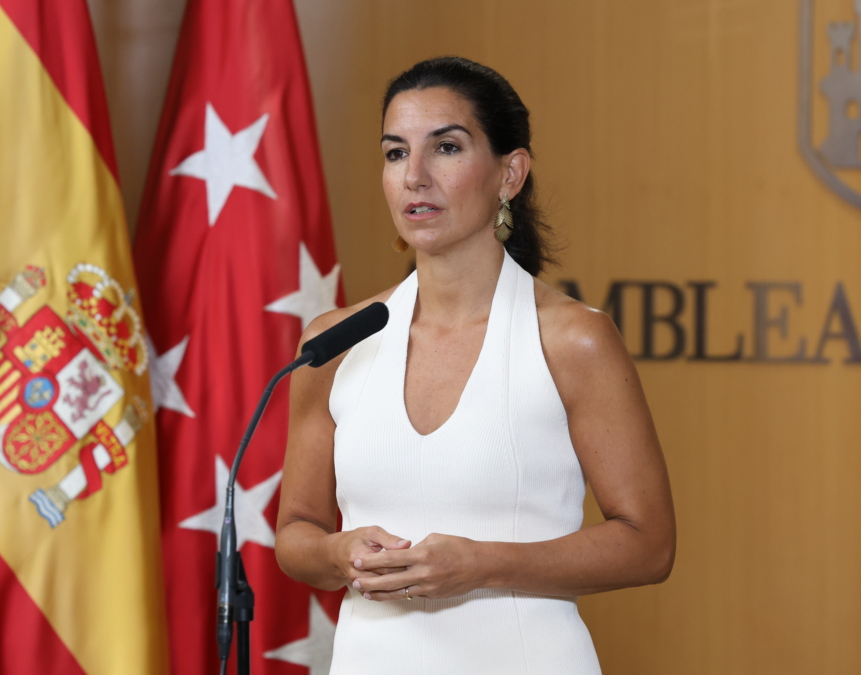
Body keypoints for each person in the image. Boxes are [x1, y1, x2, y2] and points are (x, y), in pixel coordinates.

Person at [274, 56, 676, 674]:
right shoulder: (334, 343)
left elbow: (648, 545)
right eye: (394, 152)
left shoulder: (574, 340)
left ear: (510, 174)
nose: (414, 176)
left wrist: (481, 565)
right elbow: (296, 532)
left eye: (446, 148)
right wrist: (339, 553)